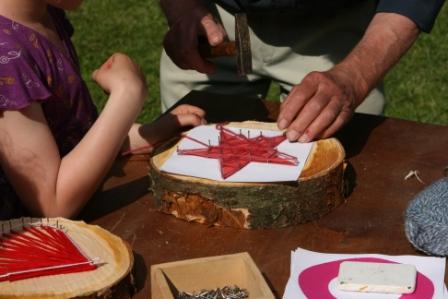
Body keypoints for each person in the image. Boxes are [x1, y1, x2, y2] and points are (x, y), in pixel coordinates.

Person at [0, 0, 205, 219]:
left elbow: (73, 140)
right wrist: (126, 94)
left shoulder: (45, 15)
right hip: (33, 244)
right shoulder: (6, 57)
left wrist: (149, 132)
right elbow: (53, 204)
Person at [159, 0, 444, 142]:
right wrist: (181, 7)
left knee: (340, 179)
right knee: (187, 160)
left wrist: (356, 75)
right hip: (210, 20)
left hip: (335, 23)